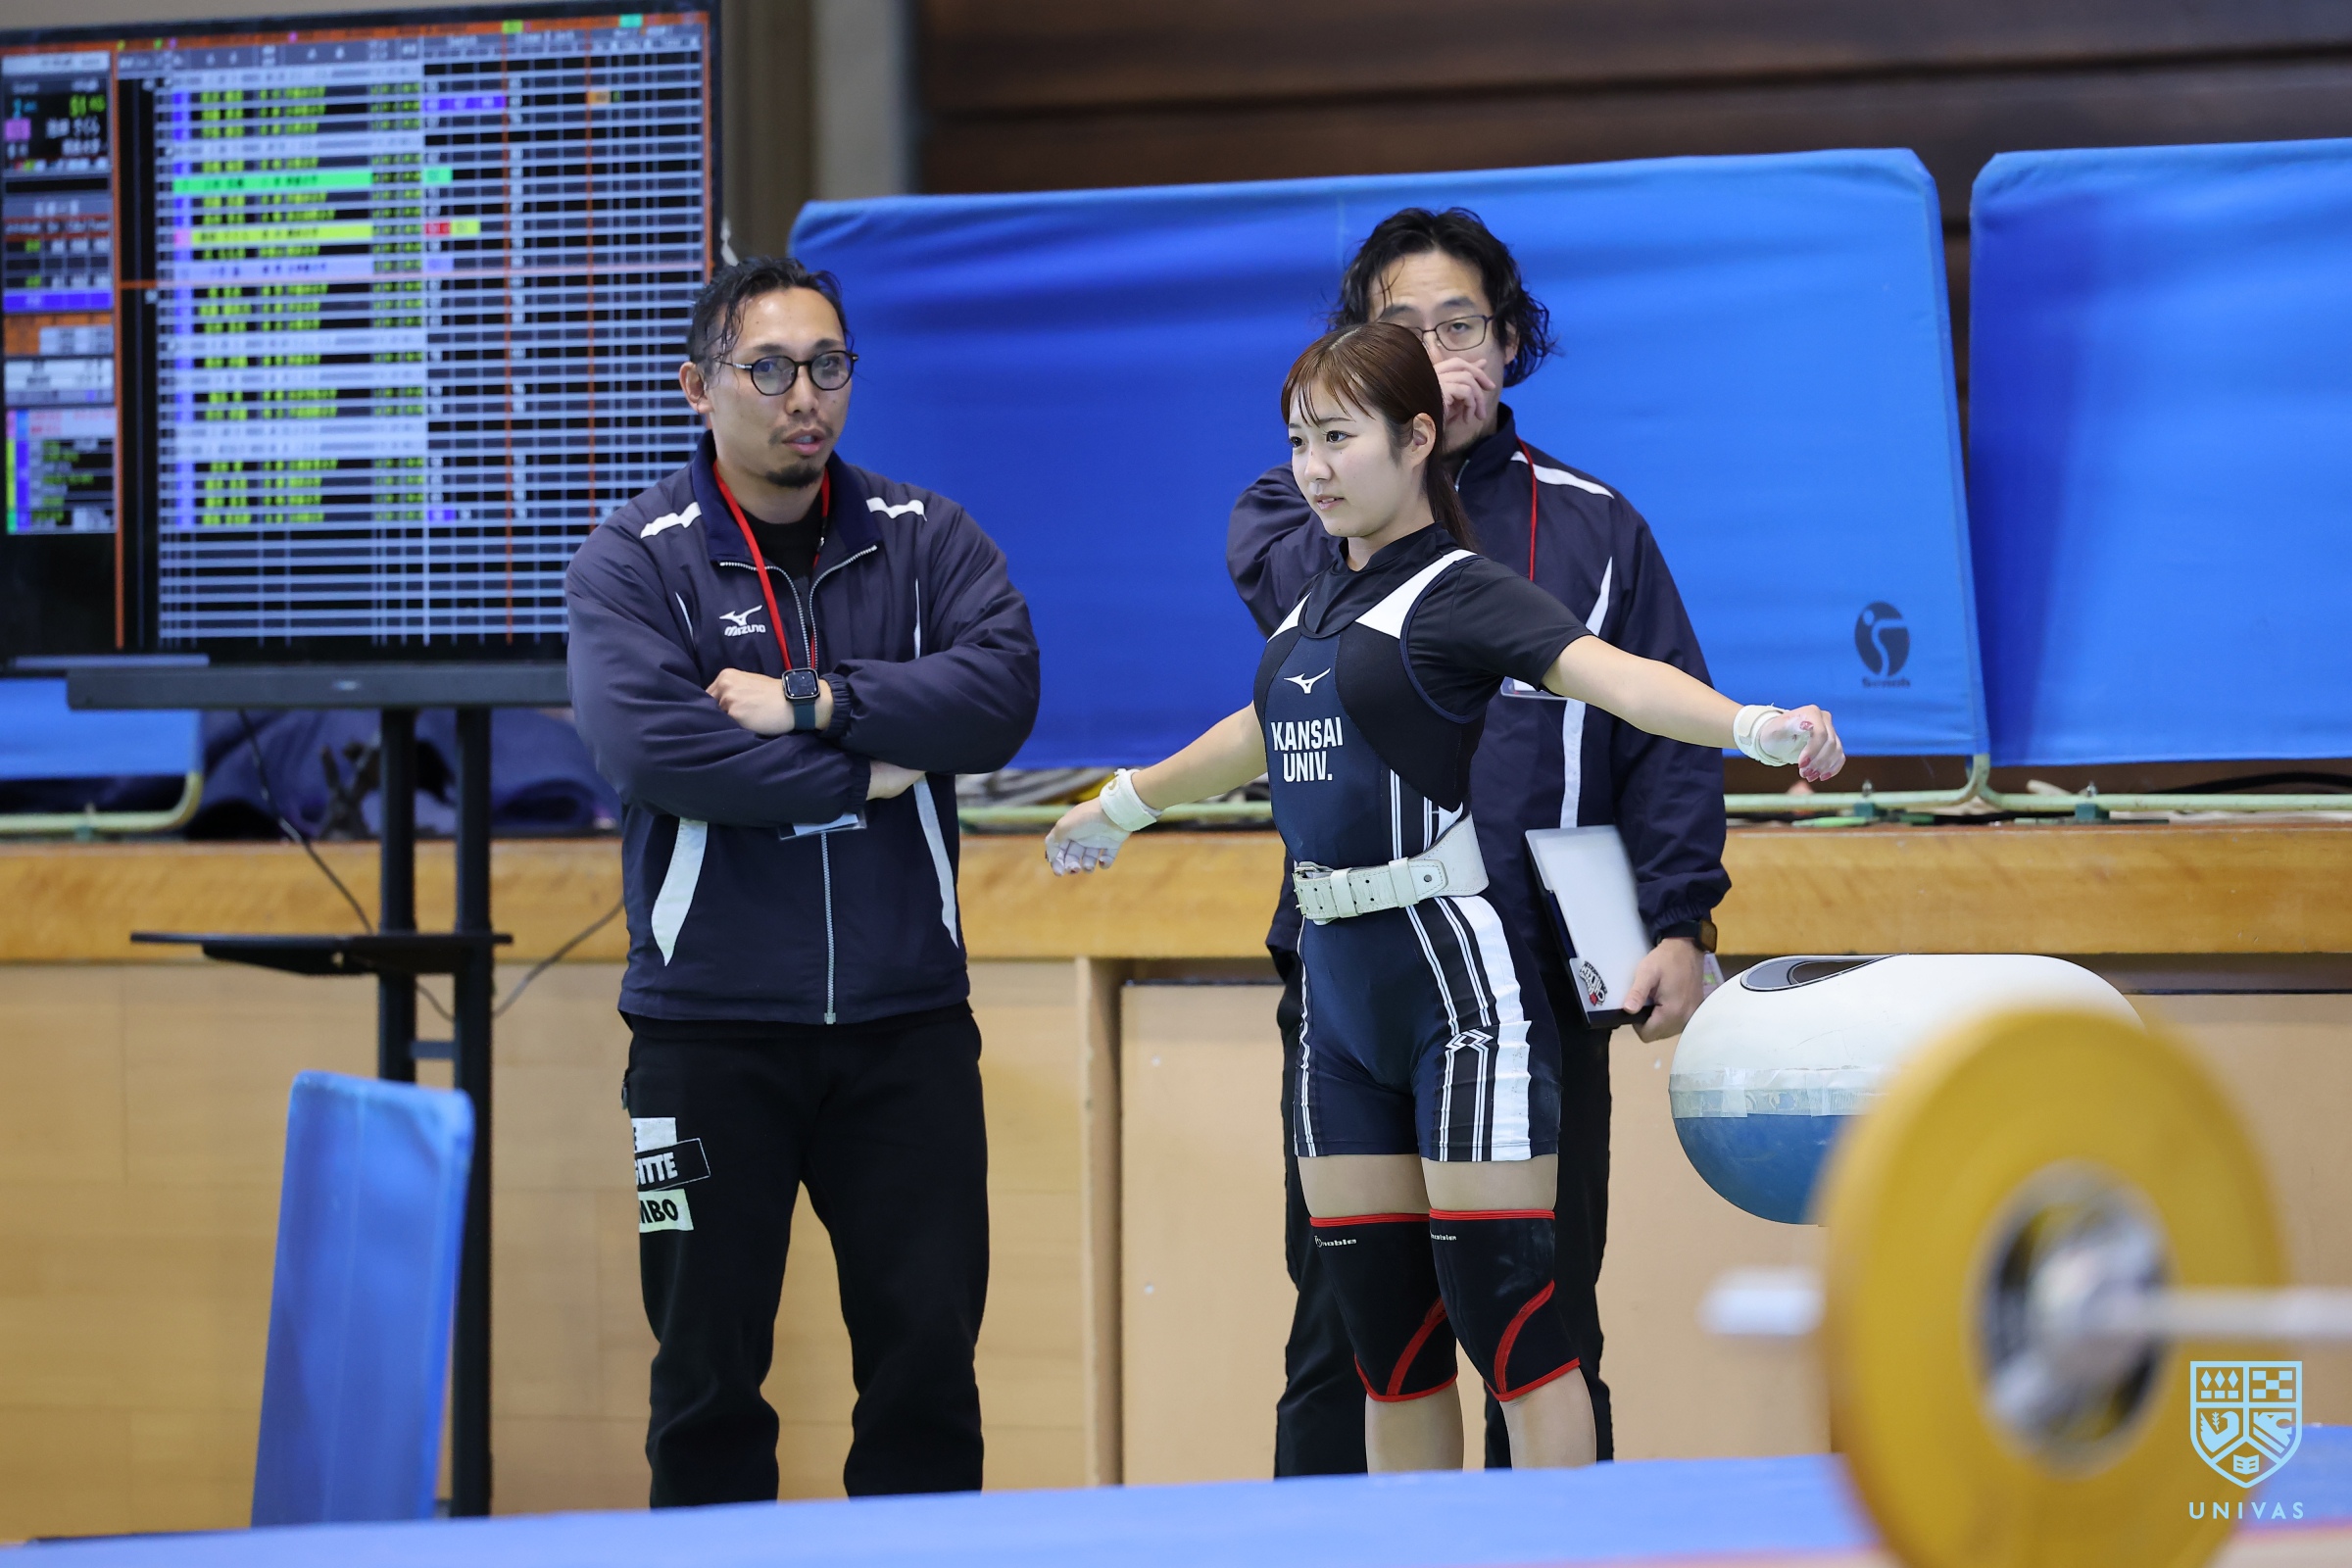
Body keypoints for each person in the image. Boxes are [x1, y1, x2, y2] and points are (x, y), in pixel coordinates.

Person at [1046, 320, 1840, 1471]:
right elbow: (1258, 730)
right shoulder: (1316, 601)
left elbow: (1617, 679)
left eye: (1338, 438)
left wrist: (1756, 727)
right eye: (1297, 441)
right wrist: (1120, 805)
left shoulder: (1459, 592)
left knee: (1516, 1330)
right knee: (1389, 1346)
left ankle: (1556, 1551)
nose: (1311, 467)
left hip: (1458, 996)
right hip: (1336, 1004)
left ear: (1417, 438)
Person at [1229, 208, 1726, 1471]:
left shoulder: (1596, 523)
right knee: (1350, 1329)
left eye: (1460, 326)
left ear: (1508, 344)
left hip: (1535, 972)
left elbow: (1663, 731)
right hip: (1357, 970)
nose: (1437, 351)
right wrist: (1400, 457)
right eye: (1400, 329)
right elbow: (1303, 607)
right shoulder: (1301, 506)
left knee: (1537, 1312)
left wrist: (1681, 919)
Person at [566, 256, 1041, 1503]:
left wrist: (814, 701)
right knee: (706, 1384)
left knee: (927, 1376)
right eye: (769, 368)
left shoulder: (927, 537)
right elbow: (660, 752)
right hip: (705, 1033)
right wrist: (869, 772)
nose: (803, 396)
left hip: (906, 1029)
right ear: (698, 386)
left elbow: (1001, 696)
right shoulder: (633, 558)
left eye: (828, 366)